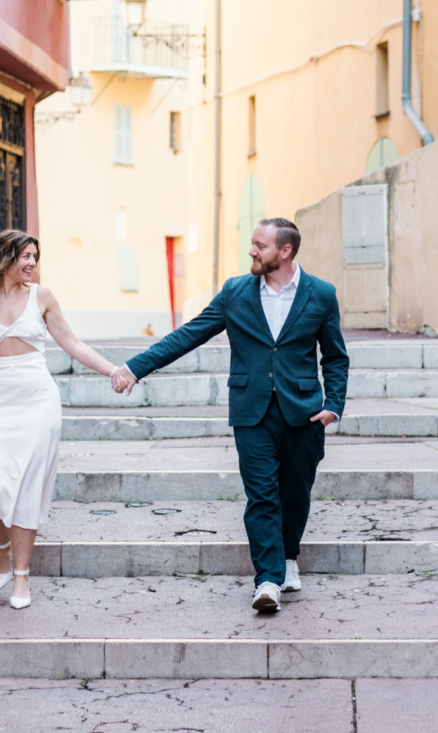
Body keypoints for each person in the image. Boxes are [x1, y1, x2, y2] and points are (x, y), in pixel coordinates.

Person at [110, 218, 347, 613]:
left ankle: (288, 558)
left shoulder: (321, 294)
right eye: (252, 243)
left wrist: (333, 406)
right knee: (261, 496)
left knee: (294, 494)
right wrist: (135, 368)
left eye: (260, 245)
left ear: (285, 251)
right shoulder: (235, 292)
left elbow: (336, 357)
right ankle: (267, 580)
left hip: (304, 413)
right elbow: (189, 334)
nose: (251, 251)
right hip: (251, 411)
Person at [0, 229, 119, 609]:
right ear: (6, 258)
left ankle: (22, 576)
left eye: (36, 256)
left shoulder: (42, 296)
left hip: (38, 404)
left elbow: (73, 344)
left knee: (26, 490)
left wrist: (114, 370)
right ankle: (3, 546)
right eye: (26, 256)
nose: (33, 263)